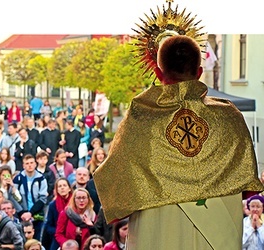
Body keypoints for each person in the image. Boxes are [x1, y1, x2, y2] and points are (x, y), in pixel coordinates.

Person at [93, 35, 264, 249]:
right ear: (199, 72)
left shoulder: (140, 120)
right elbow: (248, 189)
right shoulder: (230, 117)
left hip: (159, 234)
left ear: (157, 72)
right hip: (220, 233)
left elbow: (118, 196)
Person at [13, 154, 48, 241]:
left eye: (31, 163)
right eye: (27, 163)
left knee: (37, 239)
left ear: (35, 164)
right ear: (23, 165)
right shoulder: (18, 179)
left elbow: (43, 198)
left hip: (37, 214)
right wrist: (22, 212)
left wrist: (31, 213)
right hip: (22, 214)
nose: (29, 165)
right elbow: (14, 197)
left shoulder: (41, 178)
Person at [45, 177, 73, 250]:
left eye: (64, 185)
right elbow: (48, 226)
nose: (62, 188)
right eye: (59, 186)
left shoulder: (75, 203)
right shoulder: (52, 205)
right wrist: (59, 232)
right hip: (58, 237)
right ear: (57, 190)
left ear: (69, 188)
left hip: (73, 235)